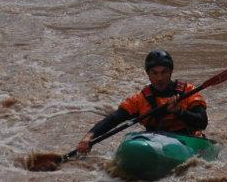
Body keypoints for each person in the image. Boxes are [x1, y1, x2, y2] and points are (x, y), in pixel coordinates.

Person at [76, 50, 208, 153]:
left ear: (171, 72)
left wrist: (180, 111)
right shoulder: (140, 100)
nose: (159, 78)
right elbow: (113, 119)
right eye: (154, 73)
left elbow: (202, 122)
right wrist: (88, 138)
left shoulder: (188, 91)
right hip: (157, 142)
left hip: (187, 140)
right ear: (148, 74)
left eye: (164, 72)